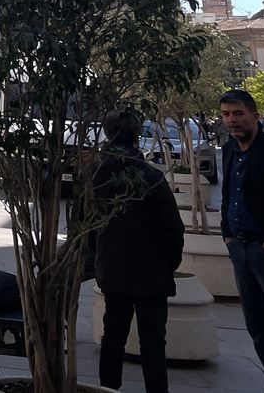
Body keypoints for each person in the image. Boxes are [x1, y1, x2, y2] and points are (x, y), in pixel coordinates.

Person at [89, 109, 183, 393]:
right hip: (151, 274)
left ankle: (108, 388)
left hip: (114, 270)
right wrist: (168, 265)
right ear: (136, 135)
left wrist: (100, 258)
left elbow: (85, 225)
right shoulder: (150, 177)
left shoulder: (95, 176)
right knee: (153, 342)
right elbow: (172, 229)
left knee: (113, 337)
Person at [220, 88, 264, 393]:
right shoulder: (230, 150)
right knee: (256, 325)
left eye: (238, 113)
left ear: (254, 115)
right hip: (240, 249)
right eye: (226, 114)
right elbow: (229, 193)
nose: (232, 120)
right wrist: (227, 235)